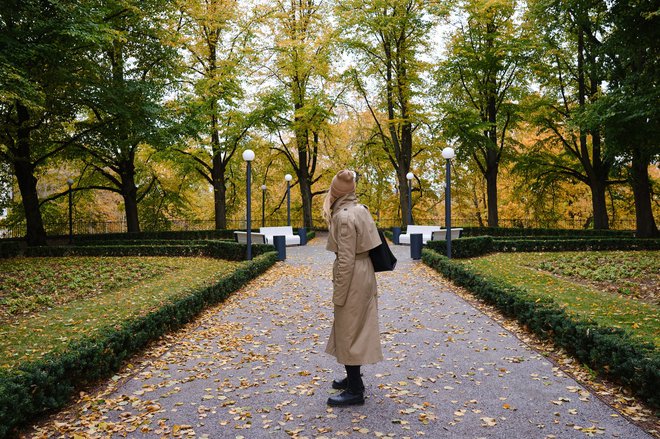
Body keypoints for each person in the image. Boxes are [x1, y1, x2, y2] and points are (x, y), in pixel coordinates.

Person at [322, 170, 383, 406]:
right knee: (355, 327)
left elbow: (346, 258)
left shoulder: (344, 217)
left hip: (352, 275)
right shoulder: (360, 209)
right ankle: (352, 378)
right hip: (363, 271)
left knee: (349, 329)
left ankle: (356, 390)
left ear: (336, 192)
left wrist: (339, 292)